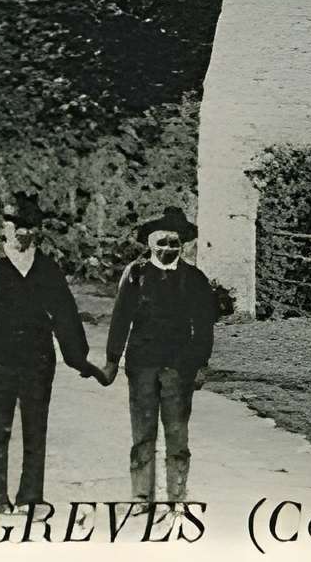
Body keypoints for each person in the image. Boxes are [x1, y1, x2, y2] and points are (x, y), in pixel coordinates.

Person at [0, 191, 100, 509]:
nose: (22, 232)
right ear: (5, 228)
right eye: (15, 225)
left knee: (35, 429)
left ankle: (30, 497)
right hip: (1, 361)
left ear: (38, 230)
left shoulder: (48, 270)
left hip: (38, 360)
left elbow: (65, 315)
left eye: (29, 226)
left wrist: (77, 358)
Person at [102, 209, 218, 505]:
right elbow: (120, 318)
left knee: (177, 436)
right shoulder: (136, 274)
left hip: (179, 368)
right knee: (143, 435)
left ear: (182, 245)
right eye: (162, 242)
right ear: (150, 244)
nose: (168, 249)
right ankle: (142, 497)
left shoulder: (194, 279)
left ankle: (176, 498)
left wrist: (201, 364)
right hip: (142, 365)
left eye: (174, 243)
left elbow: (203, 326)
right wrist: (112, 359)